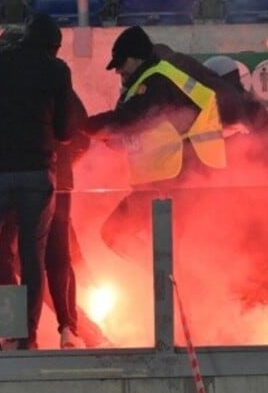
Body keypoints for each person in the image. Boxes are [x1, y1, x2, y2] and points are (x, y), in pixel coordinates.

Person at [0, 13, 86, 349]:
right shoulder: (56, 69)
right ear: (54, 46)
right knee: (35, 253)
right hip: (36, 171)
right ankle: (26, 336)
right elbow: (66, 130)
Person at [86, 26, 229, 261]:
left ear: (136, 58)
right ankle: (161, 280)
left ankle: (170, 283)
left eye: (121, 64)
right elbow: (140, 129)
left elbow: (131, 119)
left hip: (183, 178)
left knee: (157, 246)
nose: (118, 70)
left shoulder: (157, 81)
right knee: (118, 235)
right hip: (161, 181)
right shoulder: (144, 82)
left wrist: (81, 126)